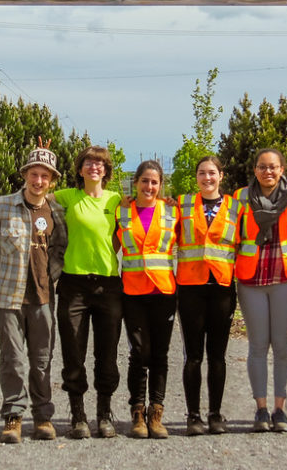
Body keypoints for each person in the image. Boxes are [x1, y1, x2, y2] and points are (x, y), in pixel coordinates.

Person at [0, 138, 67, 444]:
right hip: (8, 297)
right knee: (12, 359)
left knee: (42, 361)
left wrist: (51, 278)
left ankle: (43, 417)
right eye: (34, 173)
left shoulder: (57, 210)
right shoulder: (1, 206)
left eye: (45, 175)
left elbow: (61, 249)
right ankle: (13, 417)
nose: (39, 180)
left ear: (52, 179)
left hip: (43, 298)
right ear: (25, 174)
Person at [234, 148, 287, 433]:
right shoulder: (240, 198)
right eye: (262, 167)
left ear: (282, 169)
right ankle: (261, 409)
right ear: (254, 170)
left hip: (285, 278)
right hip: (251, 280)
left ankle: (281, 409)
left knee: (282, 346)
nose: (268, 172)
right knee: (257, 345)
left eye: (273, 167)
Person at [52, 145, 123, 439]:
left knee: (107, 355)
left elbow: (121, 235)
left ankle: (104, 413)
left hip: (108, 285)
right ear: (80, 169)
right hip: (73, 286)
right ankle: (78, 415)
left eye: (100, 163)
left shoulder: (116, 199)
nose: (94, 167)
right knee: (73, 353)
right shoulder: (66, 197)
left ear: (106, 171)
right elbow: (36, 191)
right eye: (88, 163)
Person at [176, 156, 239, 436]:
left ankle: (215, 414)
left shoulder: (237, 208)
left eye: (212, 173)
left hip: (222, 288)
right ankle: (193, 416)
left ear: (221, 176)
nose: (207, 178)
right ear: (196, 177)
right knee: (193, 356)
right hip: (191, 288)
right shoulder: (182, 205)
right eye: (202, 173)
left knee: (217, 356)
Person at [116, 160, 178, 439]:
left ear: (160, 185)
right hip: (133, 292)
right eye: (144, 181)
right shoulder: (122, 210)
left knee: (160, 355)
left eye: (154, 182)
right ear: (136, 182)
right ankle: (137, 413)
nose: (149, 186)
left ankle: (157, 413)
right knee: (139, 354)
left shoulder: (173, 211)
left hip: (163, 292)